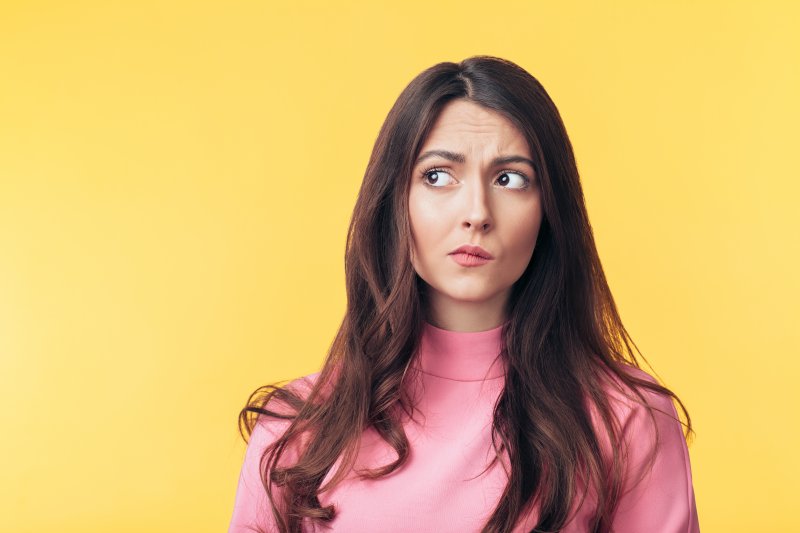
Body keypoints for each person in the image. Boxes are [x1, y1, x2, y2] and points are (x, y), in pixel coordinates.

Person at [228, 55, 700, 533]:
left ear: (549, 210)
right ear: (395, 202)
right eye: (437, 176)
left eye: (510, 178)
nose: (477, 211)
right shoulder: (297, 428)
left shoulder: (627, 419)